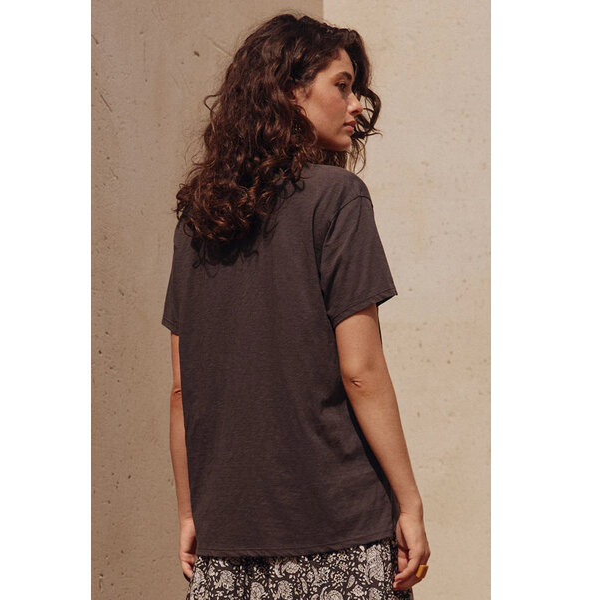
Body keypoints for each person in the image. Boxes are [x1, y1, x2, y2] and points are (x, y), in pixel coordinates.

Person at [162, 13, 431, 600]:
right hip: (339, 533)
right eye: (342, 85)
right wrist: (409, 502)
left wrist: (190, 512)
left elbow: (183, 390)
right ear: (290, 91)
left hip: (228, 542)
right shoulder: (338, 198)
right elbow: (360, 371)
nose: (356, 105)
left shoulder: (199, 219)